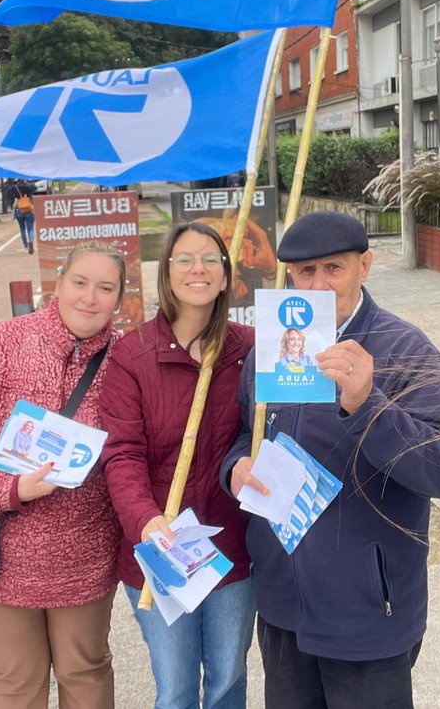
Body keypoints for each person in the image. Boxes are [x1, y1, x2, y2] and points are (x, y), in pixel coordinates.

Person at [223, 211, 440, 709]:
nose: (318, 285)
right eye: (305, 272)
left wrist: (369, 405)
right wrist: (235, 470)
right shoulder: (269, 350)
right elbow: (246, 436)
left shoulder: (404, 348)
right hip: (282, 602)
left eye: (333, 269)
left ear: (366, 266)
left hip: (366, 610)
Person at [0, 242, 125, 709]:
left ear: (120, 299)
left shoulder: (125, 360)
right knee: (16, 676)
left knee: (86, 670)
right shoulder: (0, 345)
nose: (89, 298)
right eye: (79, 283)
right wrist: (8, 488)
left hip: (87, 552)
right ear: (57, 285)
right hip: (4, 553)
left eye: (105, 288)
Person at [101, 221, 257, 709]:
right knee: (176, 689)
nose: (198, 269)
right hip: (161, 550)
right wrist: (146, 521)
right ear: (165, 273)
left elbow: (272, 424)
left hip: (231, 547)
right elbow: (121, 453)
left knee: (229, 679)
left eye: (211, 259)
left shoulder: (250, 348)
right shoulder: (134, 354)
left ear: (227, 276)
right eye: (184, 258)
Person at [12, 179, 36, 254]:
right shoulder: (29, 187)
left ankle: (26, 246)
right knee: (30, 228)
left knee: (22, 229)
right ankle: (31, 243)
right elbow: (35, 187)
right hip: (28, 209)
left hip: (19, 209)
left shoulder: (14, 188)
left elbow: (10, 193)